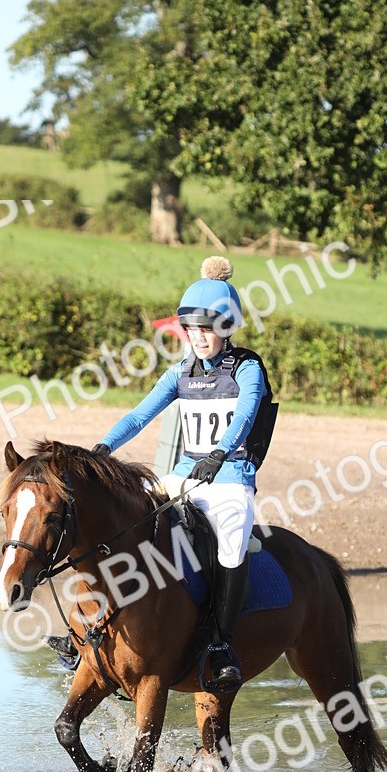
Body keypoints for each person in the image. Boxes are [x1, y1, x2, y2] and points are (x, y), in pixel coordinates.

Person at [89, 256, 276, 689]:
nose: (199, 337)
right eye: (191, 329)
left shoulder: (248, 367)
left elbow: (245, 417)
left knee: (231, 540)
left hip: (230, 476)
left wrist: (221, 453)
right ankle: (97, 624)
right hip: (186, 472)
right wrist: (103, 448)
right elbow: (139, 416)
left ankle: (221, 644)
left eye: (207, 328)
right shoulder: (180, 372)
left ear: (226, 327)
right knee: (132, 520)